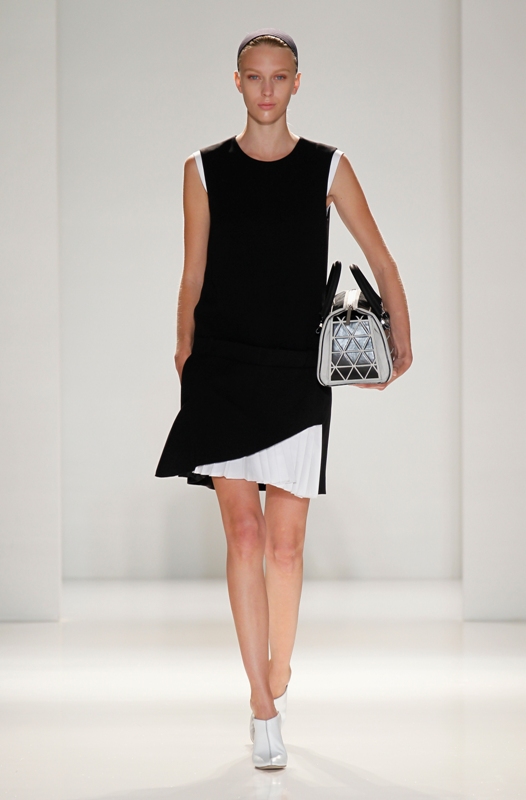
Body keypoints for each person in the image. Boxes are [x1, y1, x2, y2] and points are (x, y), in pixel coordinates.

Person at [156, 27, 412, 769]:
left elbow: (381, 257)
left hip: (299, 371)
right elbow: (192, 276)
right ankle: (262, 707)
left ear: (298, 83)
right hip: (224, 369)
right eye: (254, 76)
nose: (266, 89)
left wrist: (402, 340)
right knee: (243, 537)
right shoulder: (202, 170)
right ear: (236, 81)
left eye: (279, 76)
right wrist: (185, 357)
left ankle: (281, 671)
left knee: (286, 545)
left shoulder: (328, 166)